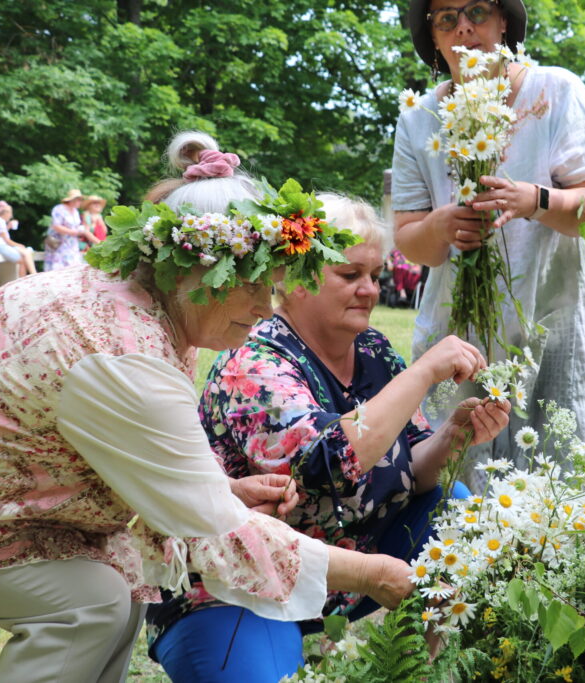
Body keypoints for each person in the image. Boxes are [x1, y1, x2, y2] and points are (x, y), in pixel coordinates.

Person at [0, 132, 415, 682]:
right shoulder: (121, 351)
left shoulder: (138, 307)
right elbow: (218, 535)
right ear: (192, 268)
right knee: (87, 604)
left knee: (112, 589)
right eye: (252, 286)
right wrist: (371, 574)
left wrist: (217, 494)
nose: (266, 308)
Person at [146, 193, 509, 682]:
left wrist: (452, 435)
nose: (370, 290)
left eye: (376, 276)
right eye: (350, 275)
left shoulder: (375, 351)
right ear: (295, 282)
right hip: (235, 586)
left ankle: (420, 667)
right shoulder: (253, 363)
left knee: (456, 505)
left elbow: (413, 472)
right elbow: (330, 464)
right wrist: (423, 372)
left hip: (345, 569)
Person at [392, 0, 585, 486]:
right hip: (464, 322)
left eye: (476, 10)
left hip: (558, 309)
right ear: (434, 40)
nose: (463, 28)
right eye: (445, 19)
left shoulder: (554, 91)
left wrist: (535, 200)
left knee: (562, 460)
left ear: (504, 22)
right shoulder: (419, 119)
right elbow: (410, 240)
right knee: (459, 459)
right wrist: (439, 227)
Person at [44, 189, 99, 271]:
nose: (81, 202)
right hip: (58, 244)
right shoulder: (59, 209)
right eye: (79, 200)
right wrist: (74, 232)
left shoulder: (75, 212)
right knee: (58, 269)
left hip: (71, 244)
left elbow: (76, 227)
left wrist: (81, 231)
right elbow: (56, 226)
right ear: (72, 200)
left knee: (73, 268)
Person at [0, 201, 37, 277]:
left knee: (25, 253)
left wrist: (8, 227)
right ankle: (32, 276)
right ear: (6, 213)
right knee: (23, 260)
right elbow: (7, 241)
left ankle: (33, 275)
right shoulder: (0, 221)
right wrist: (19, 245)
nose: (11, 216)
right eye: (10, 213)